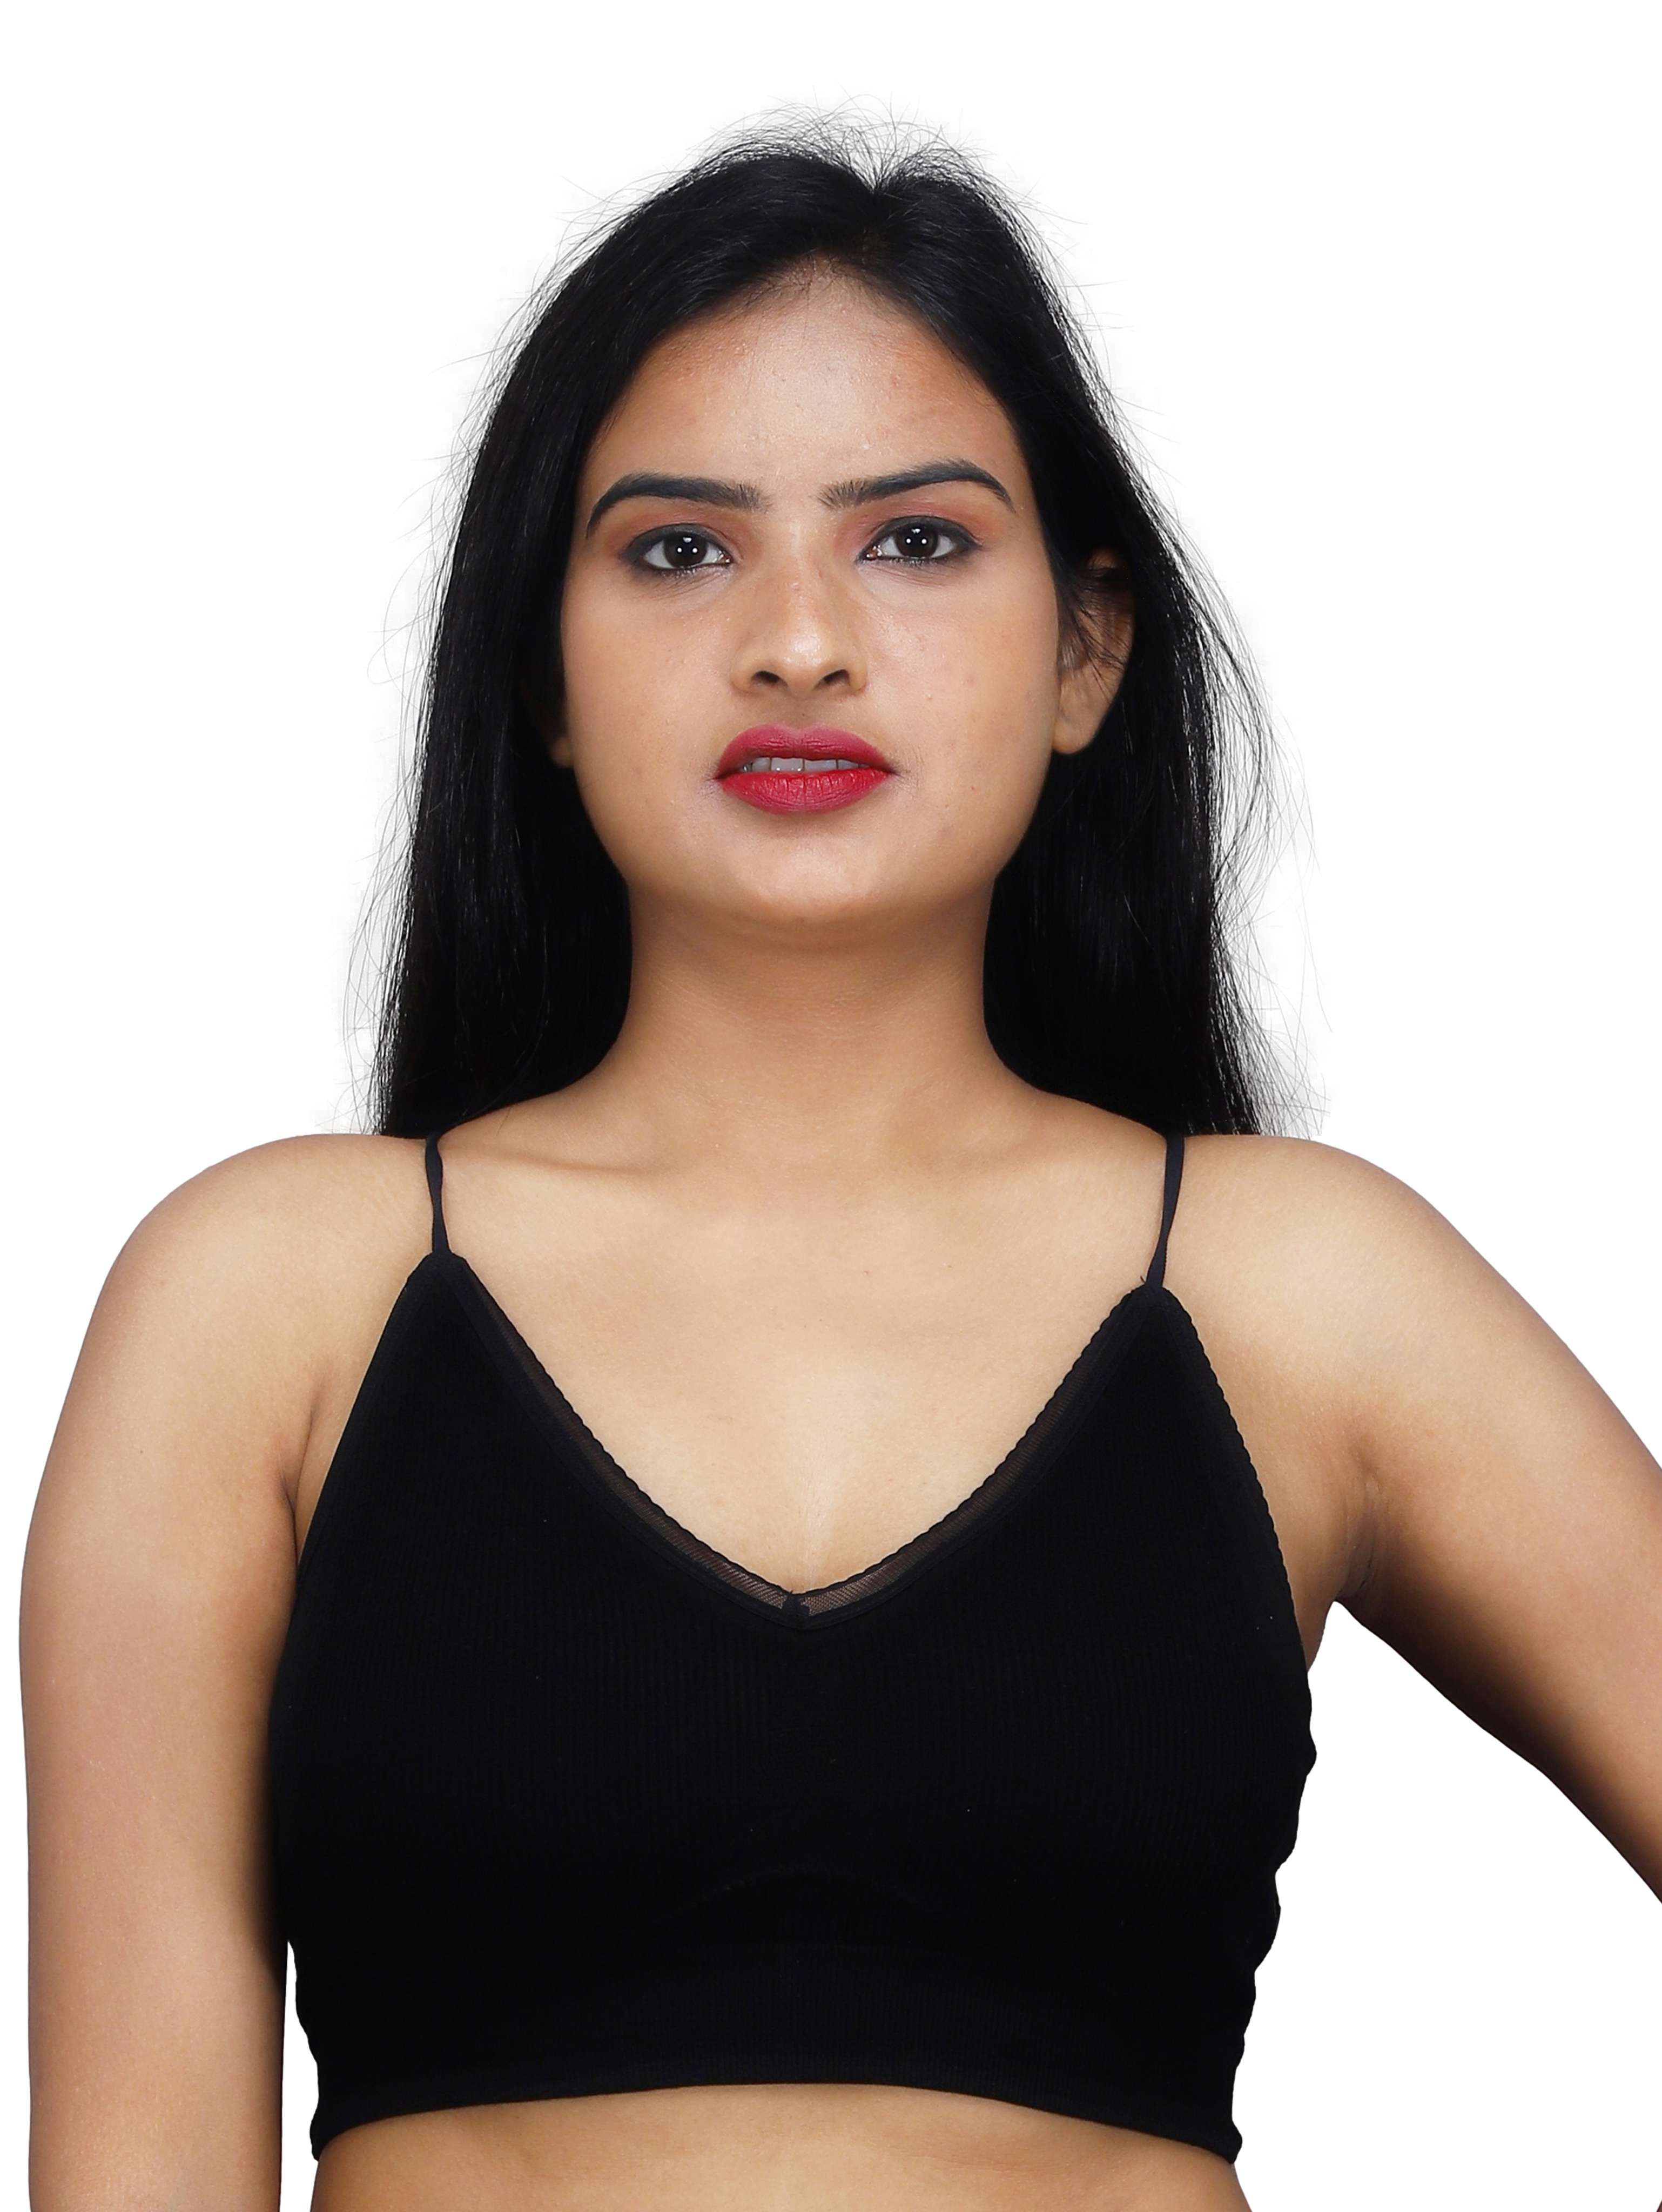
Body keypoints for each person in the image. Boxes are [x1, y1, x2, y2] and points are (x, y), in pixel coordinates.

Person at [20, 117, 1661, 2212]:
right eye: (676, 552)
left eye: (916, 541)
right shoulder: (262, 1303)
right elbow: (137, 2169)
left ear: (1086, 650)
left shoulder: (1307, 1293)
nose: (797, 641)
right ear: (538, 669)